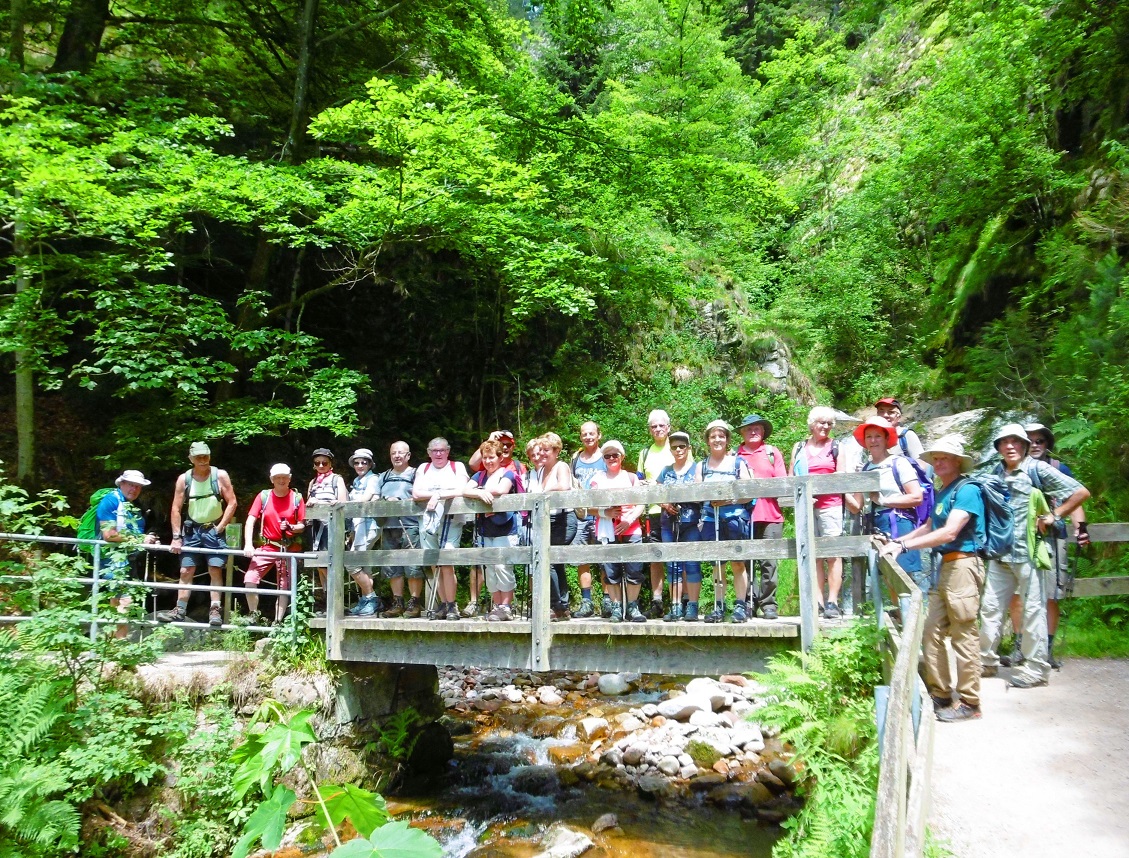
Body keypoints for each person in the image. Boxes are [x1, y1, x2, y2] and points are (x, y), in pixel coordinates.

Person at [879, 436, 985, 722]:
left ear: (958, 462)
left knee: (964, 634)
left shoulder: (967, 491)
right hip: (944, 568)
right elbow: (928, 525)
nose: (938, 462)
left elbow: (950, 532)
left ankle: (969, 702)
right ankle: (941, 693)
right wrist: (898, 541)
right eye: (935, 458)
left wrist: (905, 547)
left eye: (944, 458)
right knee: (932, 631)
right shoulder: (943, 491)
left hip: (963, 565)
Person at [980, 424, 1089, 689]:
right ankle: (986, 661)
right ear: (998, 448)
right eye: (1004, 442)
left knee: (1033, 611)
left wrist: (1055, 515)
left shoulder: (1037, 469)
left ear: (1025, 446)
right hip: (1000, 553)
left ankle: (1037, 669)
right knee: (990, 609)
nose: (1009, 446)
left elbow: (1080, 491)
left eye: (1015, 442)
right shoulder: (995, 471)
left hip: (1029, 553)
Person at [847, 416, 925, 604]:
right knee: (889, 578)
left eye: (877, 436)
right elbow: (857, 506)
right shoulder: (865, 468)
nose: (873, 441)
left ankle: (911, 624)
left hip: (898, 522)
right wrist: (839, 488)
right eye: (869, 437)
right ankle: (901, 620)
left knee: (902, 577)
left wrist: (885, 500)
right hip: (875, 526)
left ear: (886, 439)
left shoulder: (899, 463)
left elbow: (916, 497)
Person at [160, 441, 237, 626]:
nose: (203, 460)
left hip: (214, 529)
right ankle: (179, 609)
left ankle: (215, 610)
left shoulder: (219, 475)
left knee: (215, 569)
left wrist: (220, 528)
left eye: (206, 456)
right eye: (199, 457)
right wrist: (177, 537)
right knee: (186, 570)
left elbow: (232, 502)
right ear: (191, 459)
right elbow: (176, 508)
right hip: (192, 530)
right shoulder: (184, 479)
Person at [789, 407, 847, 620]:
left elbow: (841, 477)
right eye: (822, 422)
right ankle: (817, 602)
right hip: (805, 506)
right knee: (812, 555)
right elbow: (791, 476)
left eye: (829, 423)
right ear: (812, 423)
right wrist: (804, 495)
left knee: (832, 553)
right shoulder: (799, 447)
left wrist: (818, 491)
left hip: (830, 505)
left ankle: (832, 601)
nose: (825, 427)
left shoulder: (837, 447)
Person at [699, 420, 754, 623]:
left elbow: (749, 493)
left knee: (738, 563)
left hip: (734, 518)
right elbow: (697, 493)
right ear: (707, 440)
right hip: (710, 518)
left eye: (721, 436)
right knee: (717, 565)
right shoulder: (701, 466)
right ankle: (718, 605)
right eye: (713, 436)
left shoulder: (738, 463)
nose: (717, 439)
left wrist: (728, 499)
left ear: (728, 439)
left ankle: (740, 605)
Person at [412, 437, 471, 621]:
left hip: (451, 521)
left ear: (448, 451)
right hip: (428, 521)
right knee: (434, 562)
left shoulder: (457, 467)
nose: (439, 454)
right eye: (435, 450)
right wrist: (438, 495)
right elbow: (416, 493)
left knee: (447, 560)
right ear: (429, 452)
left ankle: (452, 604)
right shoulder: (423, 468)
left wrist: (437, 495)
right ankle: (443, 604)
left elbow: (461, 489)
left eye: (442, 450)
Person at [97, 470, 159, 638]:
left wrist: (149, 540)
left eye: (138, 486)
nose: (134, 489)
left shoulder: (134, 505)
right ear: (121, 483)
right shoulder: (110, 501)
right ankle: (120, 644)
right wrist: (140, 538)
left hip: (128, 559)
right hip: (112, 559)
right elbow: (109, 534)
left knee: (118, 601)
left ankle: (115, 644)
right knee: (124, 600)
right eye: (131, 485)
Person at [735, 413, 786, 620]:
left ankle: (769, 604)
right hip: (742, 516)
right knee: (745, 562)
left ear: (763, 431)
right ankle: (748, 602)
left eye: (757, 428)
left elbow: (783, 482)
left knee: (769, 563)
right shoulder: (735, 455)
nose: (753, 431)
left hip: (770, 516)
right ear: (742, 433)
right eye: (748, 428)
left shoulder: (772, 452)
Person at [464, 440, 521, 621]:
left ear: (500, 457)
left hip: (506, 528)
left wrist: (480, 491)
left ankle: (506, 607)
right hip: (486, 529)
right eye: (485, 457)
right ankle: (496, 606)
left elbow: (501, 489)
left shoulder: (508, 473)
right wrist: (480, 492)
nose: (488, 461)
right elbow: (465, 489)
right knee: (490, 568)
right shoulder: (479, 476)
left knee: (503, 566)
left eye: (492, 457)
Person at [591, 440, 647, 622]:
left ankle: (632, 606)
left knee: (634, 568)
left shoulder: (631, 478)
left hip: (631, 527)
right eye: (607, 456)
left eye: (615, 455)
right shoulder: (597, 479)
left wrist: (628, 520)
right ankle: (616, 607)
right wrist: (605, 512)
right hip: (607, 529)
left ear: (622, 457)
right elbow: (587, 506)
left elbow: (641, 504)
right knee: (610, 570)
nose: (611, 458)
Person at [242, 464, 306, 624]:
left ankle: (278, 621)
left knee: (283, 586)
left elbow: (302, 525)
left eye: (284, 477)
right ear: (272, 480)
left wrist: (291, 527)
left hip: (289, 547)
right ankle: (253, 614)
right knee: (250, 578)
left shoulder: (296, 498)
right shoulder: (264, 497)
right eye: (278, 477)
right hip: (267, 546)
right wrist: (248, 545)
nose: (281, 480)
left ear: (290, 479)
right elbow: (250, 520)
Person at [656, 431, 702, 621]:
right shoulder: (666, 471)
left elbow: (701, 494)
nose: (678, 450)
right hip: (669, 523)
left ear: (688, 448)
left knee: (691, 564)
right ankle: (675, 606)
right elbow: (656, 490)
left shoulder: (697, 468)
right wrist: (665, 504)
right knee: (672, 565)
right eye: (674, 447)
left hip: (691, 523)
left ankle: (692, 606)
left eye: (682, 446)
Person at [376, 442, 424, 619]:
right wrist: (384, 500)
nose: (397, 456)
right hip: (389, 525)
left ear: (408, 456)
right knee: (391, 566)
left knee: (412, 565)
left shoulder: (416, 473)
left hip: (410, 525)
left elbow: (421, 495)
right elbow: (375, 496)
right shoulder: (384, 476)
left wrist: (401, 501)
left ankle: (414, 602)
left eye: (400, 453)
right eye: (393, 453)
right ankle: (397, 602)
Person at [536, 432, 579, 620]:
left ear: (556, 451)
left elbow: (564, 486)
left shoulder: (561, 466)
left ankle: (558, 604)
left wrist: (545, 491)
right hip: (547, 520)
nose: (543, 454)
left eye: (546, 450)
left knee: (552, 561)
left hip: (564, 519)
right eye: (541, 450)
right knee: (555, 563)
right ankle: (561, 607)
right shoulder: (540, 470)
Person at [637, 410, 675, 618]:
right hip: (653, 511)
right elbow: (640, 480)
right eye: (654, 426)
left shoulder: (678, 446)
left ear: (669, 427)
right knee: (655, 558)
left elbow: (686, 474)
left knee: (677, 555)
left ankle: (682, 600)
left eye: (661, 425)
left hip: (675, 509)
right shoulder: (644, 453)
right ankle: (657, 601)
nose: (658, 429)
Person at [571, 421, 607, 618]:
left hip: (603, 515)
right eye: (584, 434)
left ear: (598, 435)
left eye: (591, 433)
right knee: (581, 559)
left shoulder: (606, 456)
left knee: (604, 559)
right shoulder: (576, 459)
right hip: (581, 516)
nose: (588, 437)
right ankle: (587, 602)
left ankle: (608, 600)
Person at [343, 448, 384, 616]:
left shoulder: (373, 478)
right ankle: (367, 602)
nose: (360, 465)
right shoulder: (357, 480)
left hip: (369, 526)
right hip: (358, 527)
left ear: (370, 464)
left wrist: (341, 504)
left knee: (351, 562)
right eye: (357, 462)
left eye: (364, 462)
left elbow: (366, 498)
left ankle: (372, 598)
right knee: (364, 565)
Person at [306, 448, 347, 615]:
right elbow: (308, 502)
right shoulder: (312, 482)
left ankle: (335, 600)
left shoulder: (337, 479)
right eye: (317, 463)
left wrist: (331, 502)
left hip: (331, 526)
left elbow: (343, 501)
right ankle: (327, 598)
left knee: (330, 563)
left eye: (325, 462)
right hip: (316, 526)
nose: (321, 465)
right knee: (319, 564)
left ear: (331, 463)